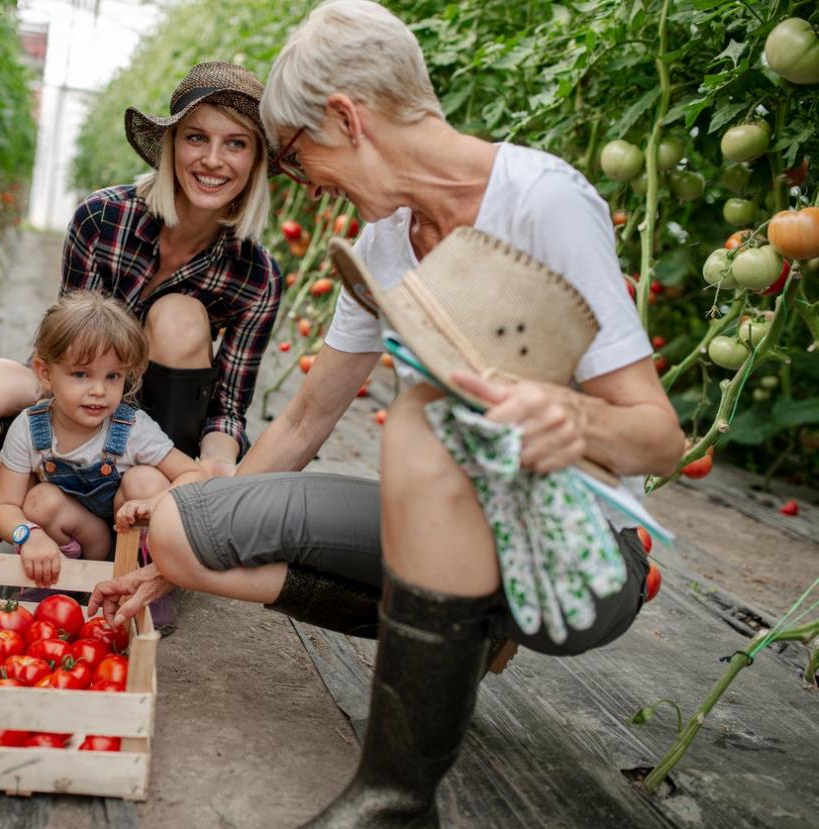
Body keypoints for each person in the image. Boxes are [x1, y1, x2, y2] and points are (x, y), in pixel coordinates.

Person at [88, 1, 687, 825]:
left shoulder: (541, 201)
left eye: (296, 158)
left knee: (425, 424)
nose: (306, 183)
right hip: (451, 522)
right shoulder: (382, 247)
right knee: (184, 528)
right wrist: (179, 541)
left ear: (347, 119)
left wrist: (571, 422)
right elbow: (302, 420)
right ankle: (461, 634)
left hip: (576, 549)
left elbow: (659, 436)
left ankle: (394, 799)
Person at [0, 61, 281, 510]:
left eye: (236, 143)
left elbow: (227, 408)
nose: (212, 159)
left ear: (256, 161)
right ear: (171, 146)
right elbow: (67, 342)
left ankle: (142, 502)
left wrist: (212, 467)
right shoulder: (104, 218)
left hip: (159, 440)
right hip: (83, 391)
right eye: (196, 137)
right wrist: (23, 450)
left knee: (178, 316)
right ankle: (49, 480)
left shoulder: (256, 275)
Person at [0, 292, 205, 589]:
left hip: (126, 536)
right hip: (83, 535)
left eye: (113, 376)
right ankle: (60, 575)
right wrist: (29, 534)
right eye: (81, 374)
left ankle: (145, 573)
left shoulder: (132, 429)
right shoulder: (30, 427)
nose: (99, 390)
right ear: (45, 374)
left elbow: (194, 474)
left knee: (146, 480)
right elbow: (3, 507)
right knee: (39, 501)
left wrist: (155, 502)